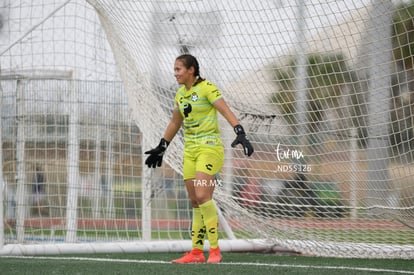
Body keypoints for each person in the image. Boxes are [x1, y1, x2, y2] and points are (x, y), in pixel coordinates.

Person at [144, 54, 254, 264]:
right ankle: (195, 252)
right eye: (174, 69)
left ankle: (214, 250)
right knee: (195, 201)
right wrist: (161, 147)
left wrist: (240, 132)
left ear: (191, 70)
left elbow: (225, 110)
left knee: (203, 196)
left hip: (209, 148)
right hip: (190, 151)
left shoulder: (207, 88)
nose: (175, 73)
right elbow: (175, 123)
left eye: (178, 69)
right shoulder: (180, 95)